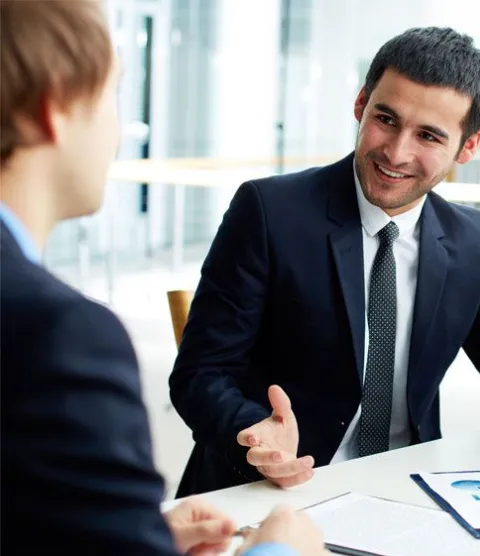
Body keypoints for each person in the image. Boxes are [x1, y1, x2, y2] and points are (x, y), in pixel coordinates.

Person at [169, 26, 480, 496]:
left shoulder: (476, 241)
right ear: (360, 104)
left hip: (406, 489)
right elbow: (201, 374)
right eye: (386, 119)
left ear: (467, 147)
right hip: (271, 488)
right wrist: (252, 433)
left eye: (428, 136)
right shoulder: (269, 213)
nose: (396, 152)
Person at [0, 2, 323, 554]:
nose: (119, 133)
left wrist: (131, 532)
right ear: (52, 107)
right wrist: (280, 549)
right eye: (113, 93)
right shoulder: (58, 334)